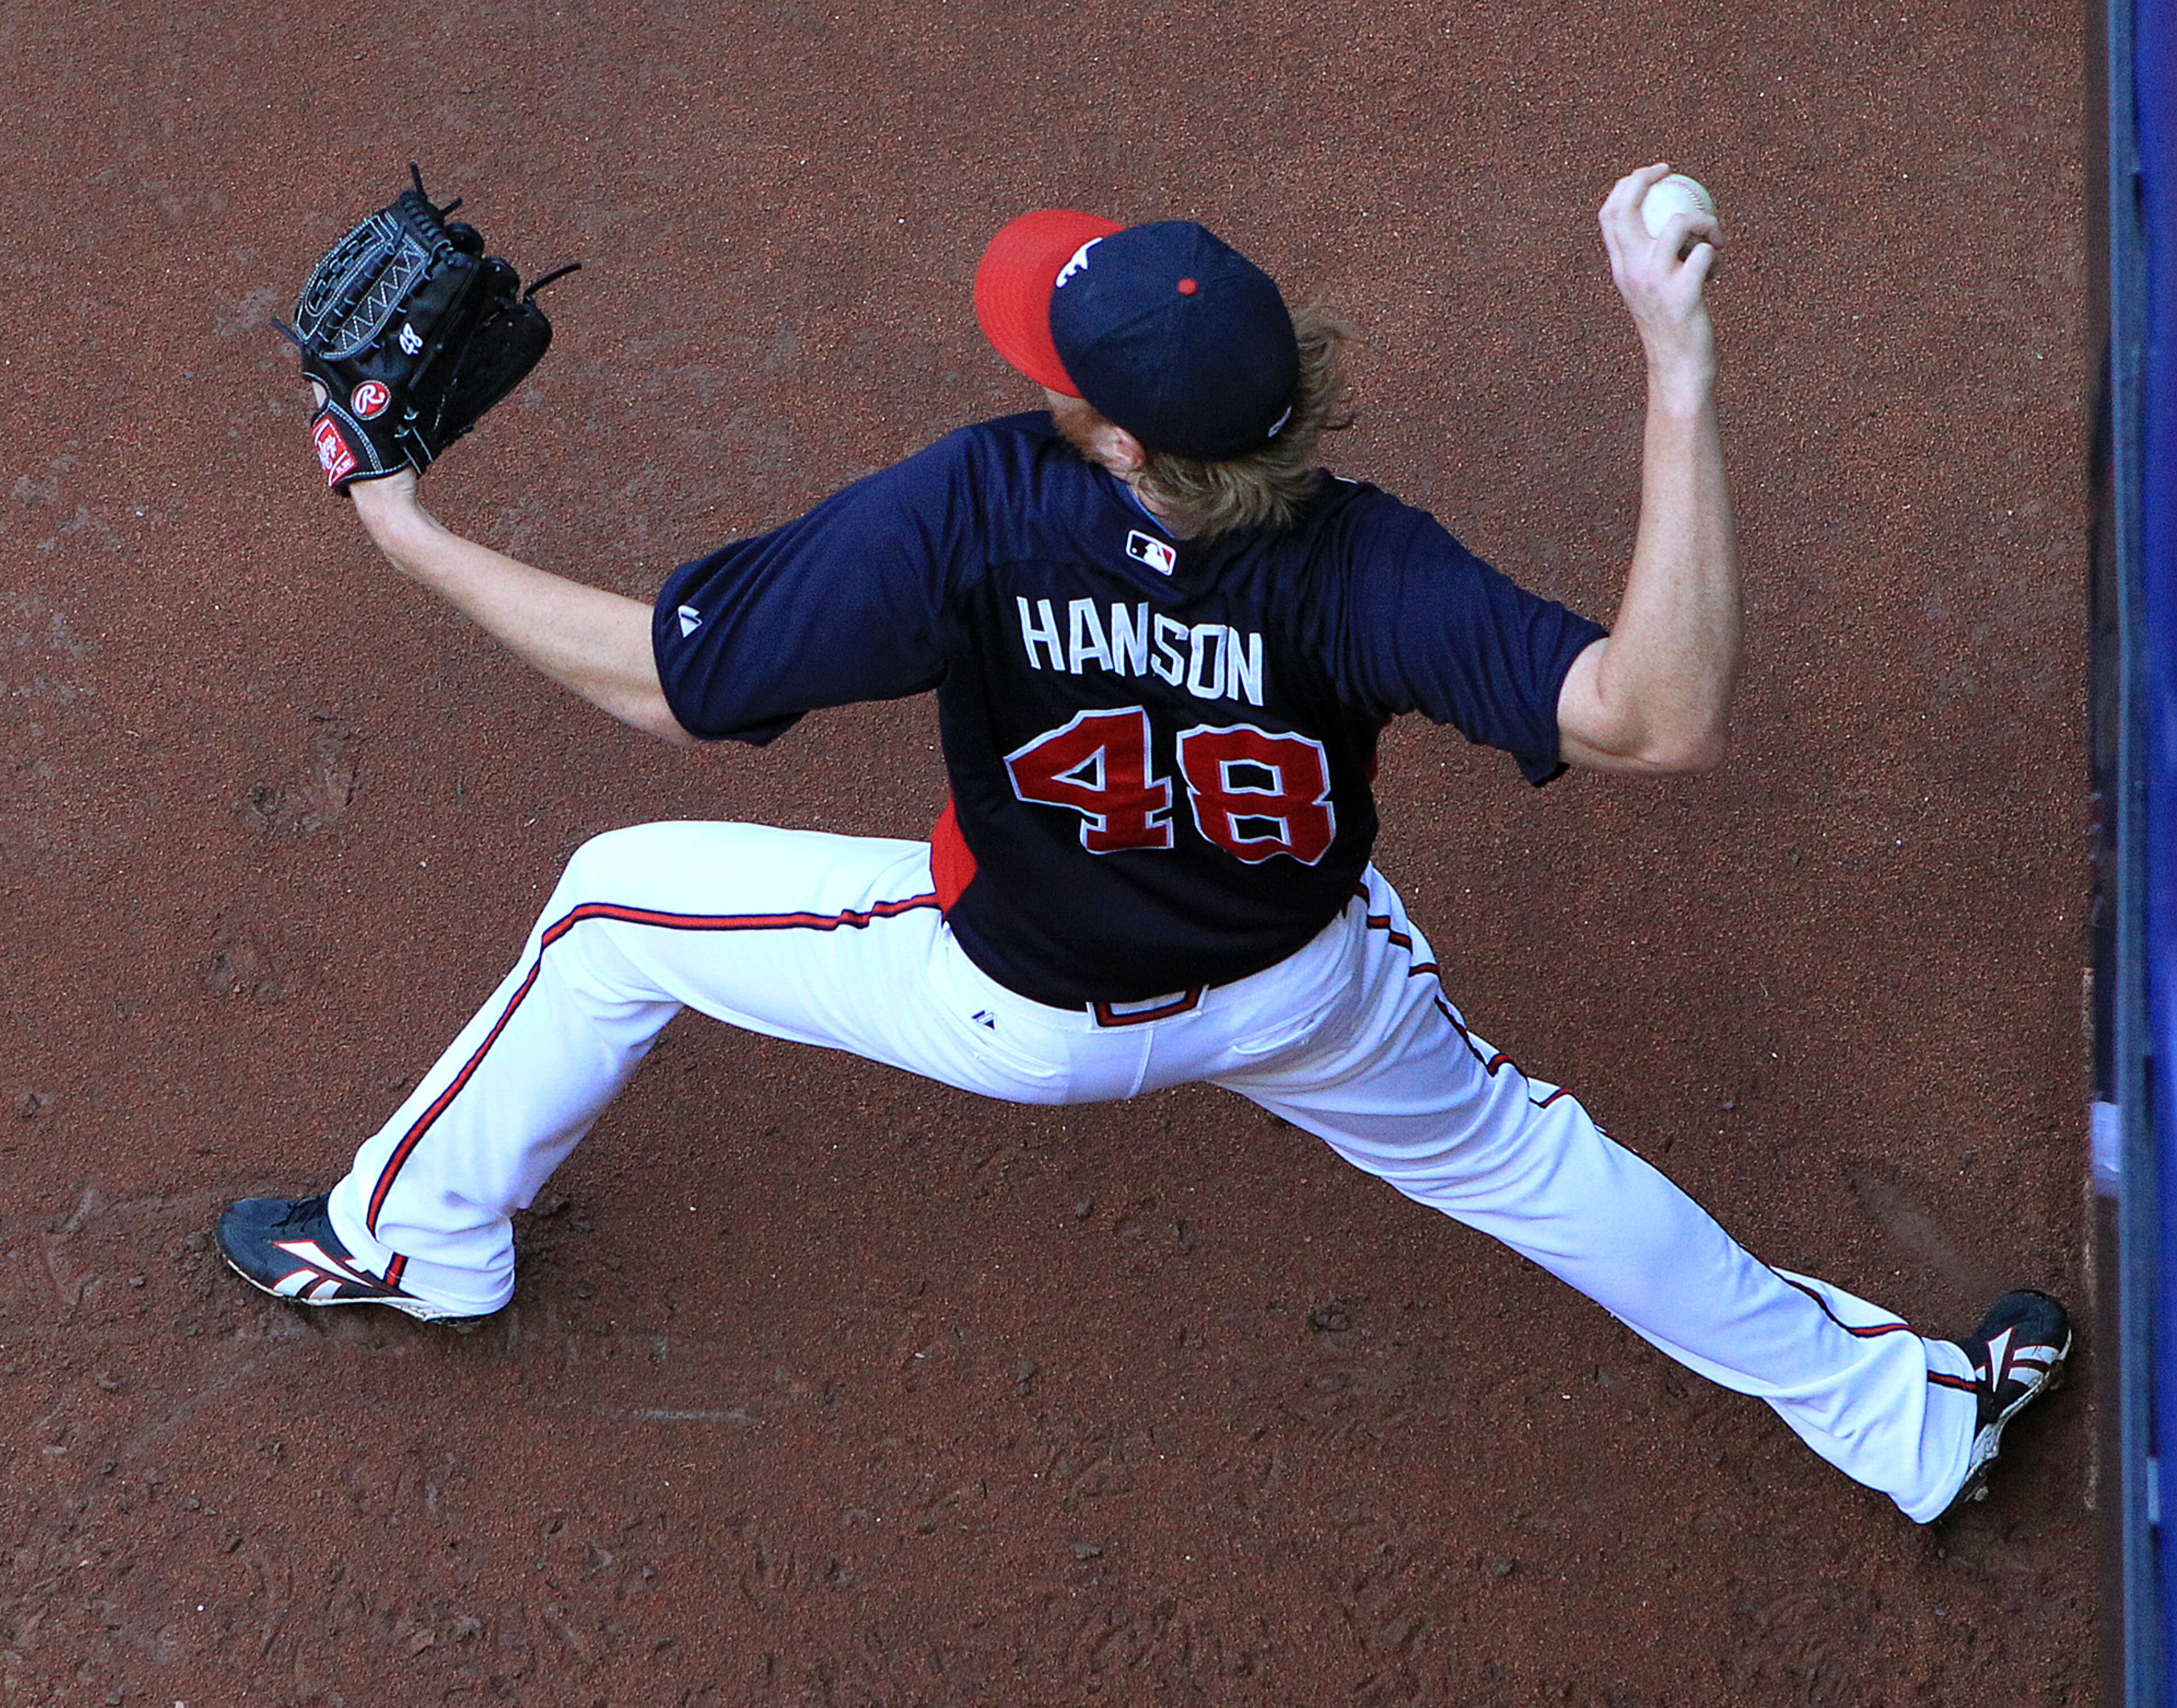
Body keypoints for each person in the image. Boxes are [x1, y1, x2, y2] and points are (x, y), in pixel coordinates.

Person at [218, 163, 2066, 1523]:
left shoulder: (985, 505)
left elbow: (664, 683)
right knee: (1537, 1164)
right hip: (1307, 992)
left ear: (1101, 431)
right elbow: (1656, 715)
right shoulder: (1361, 561)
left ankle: (413, 1241)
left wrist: (407, 532)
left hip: (1014, 1011)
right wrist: (1676, 372)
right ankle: (1902, 1421)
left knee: (612, 908)